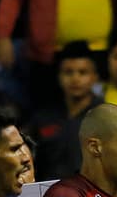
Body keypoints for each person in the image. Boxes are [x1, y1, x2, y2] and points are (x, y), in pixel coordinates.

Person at [28, 41, 105, 180]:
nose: (75, 79)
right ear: (59, 77)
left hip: (92, 196)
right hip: (47, 195)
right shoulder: (43, 117)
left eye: (82, 72)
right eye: (68, 72)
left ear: (95, 77)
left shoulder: (106, 117)